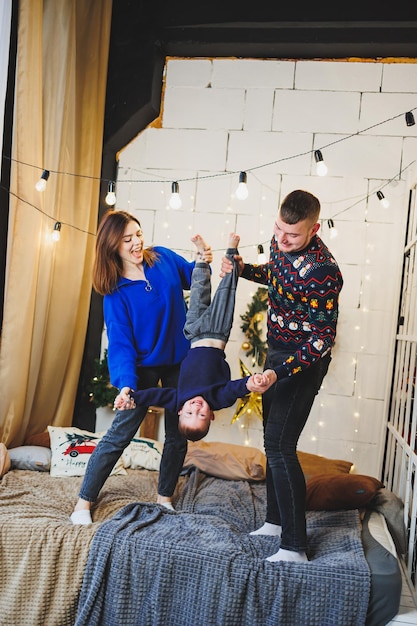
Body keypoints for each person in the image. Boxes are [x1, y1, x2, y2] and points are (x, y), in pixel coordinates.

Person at [221, 189, 343, 563]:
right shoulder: (279, 243)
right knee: (269, 438)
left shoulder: (324, 271)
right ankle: (275, 521)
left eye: (292, 235)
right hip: (277, 350)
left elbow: (323, 340)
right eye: (278, 230)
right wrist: (242, 270)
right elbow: (277, 277)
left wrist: (278, 373)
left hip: (304, 361)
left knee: (280, 445)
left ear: (315, 229)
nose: (282, 239)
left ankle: (294, 546)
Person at [71, 210, 212, 525]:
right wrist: (126, 386)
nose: (137, 242)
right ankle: (83, 501)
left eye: (138, 234)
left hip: (179, 360)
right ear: (112, 246)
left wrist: (202, 260)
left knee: (177, 434)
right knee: (120, 434)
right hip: (142, 368)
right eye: (127, 239)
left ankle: (164, 497)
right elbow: (121, 345)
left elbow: (192, 276)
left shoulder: (161, 258)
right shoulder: (115, 293)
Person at [124, 233, 276, 441]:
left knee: (198, 289)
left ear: (179, 410)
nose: (196, 408)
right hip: (216, 332)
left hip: (193, 333)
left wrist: (133, 397)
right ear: (211, 415)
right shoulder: (217, 398)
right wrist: (250, 383)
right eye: (202, 414)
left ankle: (202, 255)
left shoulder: (178, 397)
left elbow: (155, 395)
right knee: (226, 291)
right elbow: (234, 389)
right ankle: (232, 250)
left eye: (189, 413)